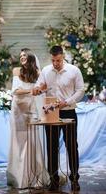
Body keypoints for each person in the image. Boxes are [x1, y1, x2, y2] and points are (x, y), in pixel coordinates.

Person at [32, 45, 85, 191]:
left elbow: (81, 91)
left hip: (68, 111)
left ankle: (74, 179)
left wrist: (66, 102)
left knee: (72, 146)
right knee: (51, 147)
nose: (55, 63)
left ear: (63, 56)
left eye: (58, 60)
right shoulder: (45, 70)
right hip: (51, 112)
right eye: (53, 60)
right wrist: (37, 89)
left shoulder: (74, 70)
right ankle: (54, 180)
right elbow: (39, 86)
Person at [6, 49, 50, 189]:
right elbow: (16, 91)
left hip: (31, 110)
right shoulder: (16, 71)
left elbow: (43, 88)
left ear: (30, 57)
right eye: (20, 56)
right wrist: (32, 91)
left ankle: (34, 175)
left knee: (32, 141)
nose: (22, 58)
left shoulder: (38, 73)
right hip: (18, 111)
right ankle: (18, 176)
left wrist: (40, 90)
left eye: (24, 55)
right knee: (18, 142)